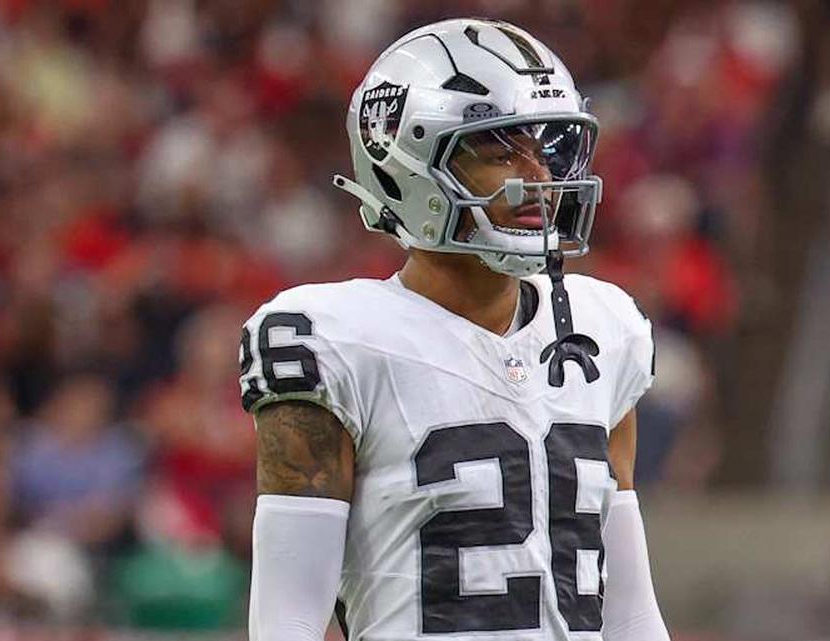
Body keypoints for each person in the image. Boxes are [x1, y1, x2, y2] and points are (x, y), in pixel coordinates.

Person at [239, 18, 670, 641]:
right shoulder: (332, 339)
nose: (539, 177)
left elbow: (629, 608)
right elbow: (287, 619)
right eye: (499, 151)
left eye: (545, 149)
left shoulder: (604, 329)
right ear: (409, 164)